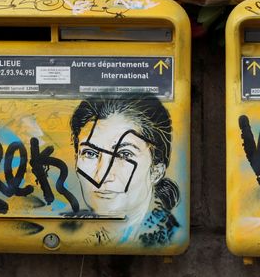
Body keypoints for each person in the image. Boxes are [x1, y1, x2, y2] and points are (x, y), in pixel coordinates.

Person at [70, 94, 180, 246]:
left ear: (156, 171)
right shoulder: (71, 233)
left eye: (124, 154)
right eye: (90, 153)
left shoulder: (168, 239)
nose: (102, 175)